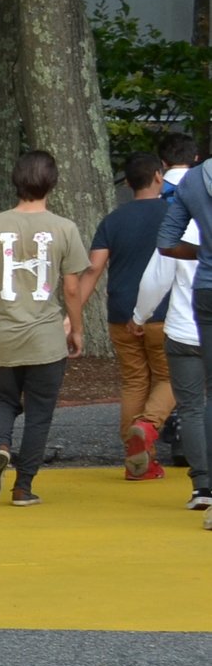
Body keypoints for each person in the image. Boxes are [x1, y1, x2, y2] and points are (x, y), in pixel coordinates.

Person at [0, 152, 86, 506]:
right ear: (52, 183)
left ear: (15, 181)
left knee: (2, 398)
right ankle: (23, 486)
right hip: (46, 338)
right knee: (39, 413)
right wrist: (76, 329)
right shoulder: (64, 228)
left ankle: (1, 446)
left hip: (3, 335)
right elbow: (71, 288)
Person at [89, 151, 176, 482]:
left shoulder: (113, 220)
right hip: (165, 313)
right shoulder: (175, 214)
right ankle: (148, 426)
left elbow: (94, 267)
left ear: (127, 182)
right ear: (159, 176)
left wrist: (74, 315)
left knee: (134, 381)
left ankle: (138, 461)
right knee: (171, 377)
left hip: (121, 312)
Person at [156, 154, 212, 527]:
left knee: (203, 398)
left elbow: (166, 242)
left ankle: (207, 488)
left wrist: (204, 252)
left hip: (206, 290)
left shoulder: (192, 181)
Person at [137, 250, 208, 513]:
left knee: (191, 409)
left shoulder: (180, 230)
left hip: (184, 331)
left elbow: (154, 281)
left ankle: (202, 486)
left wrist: (139, 315)